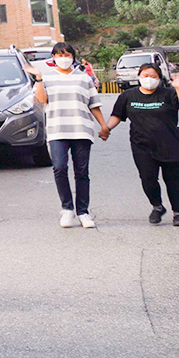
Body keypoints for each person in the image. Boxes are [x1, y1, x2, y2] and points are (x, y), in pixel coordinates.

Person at [27, 42, 109, 229]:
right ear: (53, 57)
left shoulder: (83, 78)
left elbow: (93, 104)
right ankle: (67, 208)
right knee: (59, 167)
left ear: (73, 57)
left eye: (67, 55)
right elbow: (42, 100)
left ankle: (83, 212)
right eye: (59, 55)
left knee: (82, 172)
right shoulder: (47, 78)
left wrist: (103, 126)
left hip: (81, 129)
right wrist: (38, 78)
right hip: (57, 130)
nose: (63, 58)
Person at [106, 63, 179, 226]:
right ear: (139, 76)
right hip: (142, 146)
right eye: (145, 76)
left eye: (153, 76)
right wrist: (106, 128)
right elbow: (117, 115)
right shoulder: (128, 96)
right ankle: (157, 206)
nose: (149, 79)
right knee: (147, 178)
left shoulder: (169, 93)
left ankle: (178, 213)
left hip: (172, 145)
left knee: (174, 181)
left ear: (159, 78)